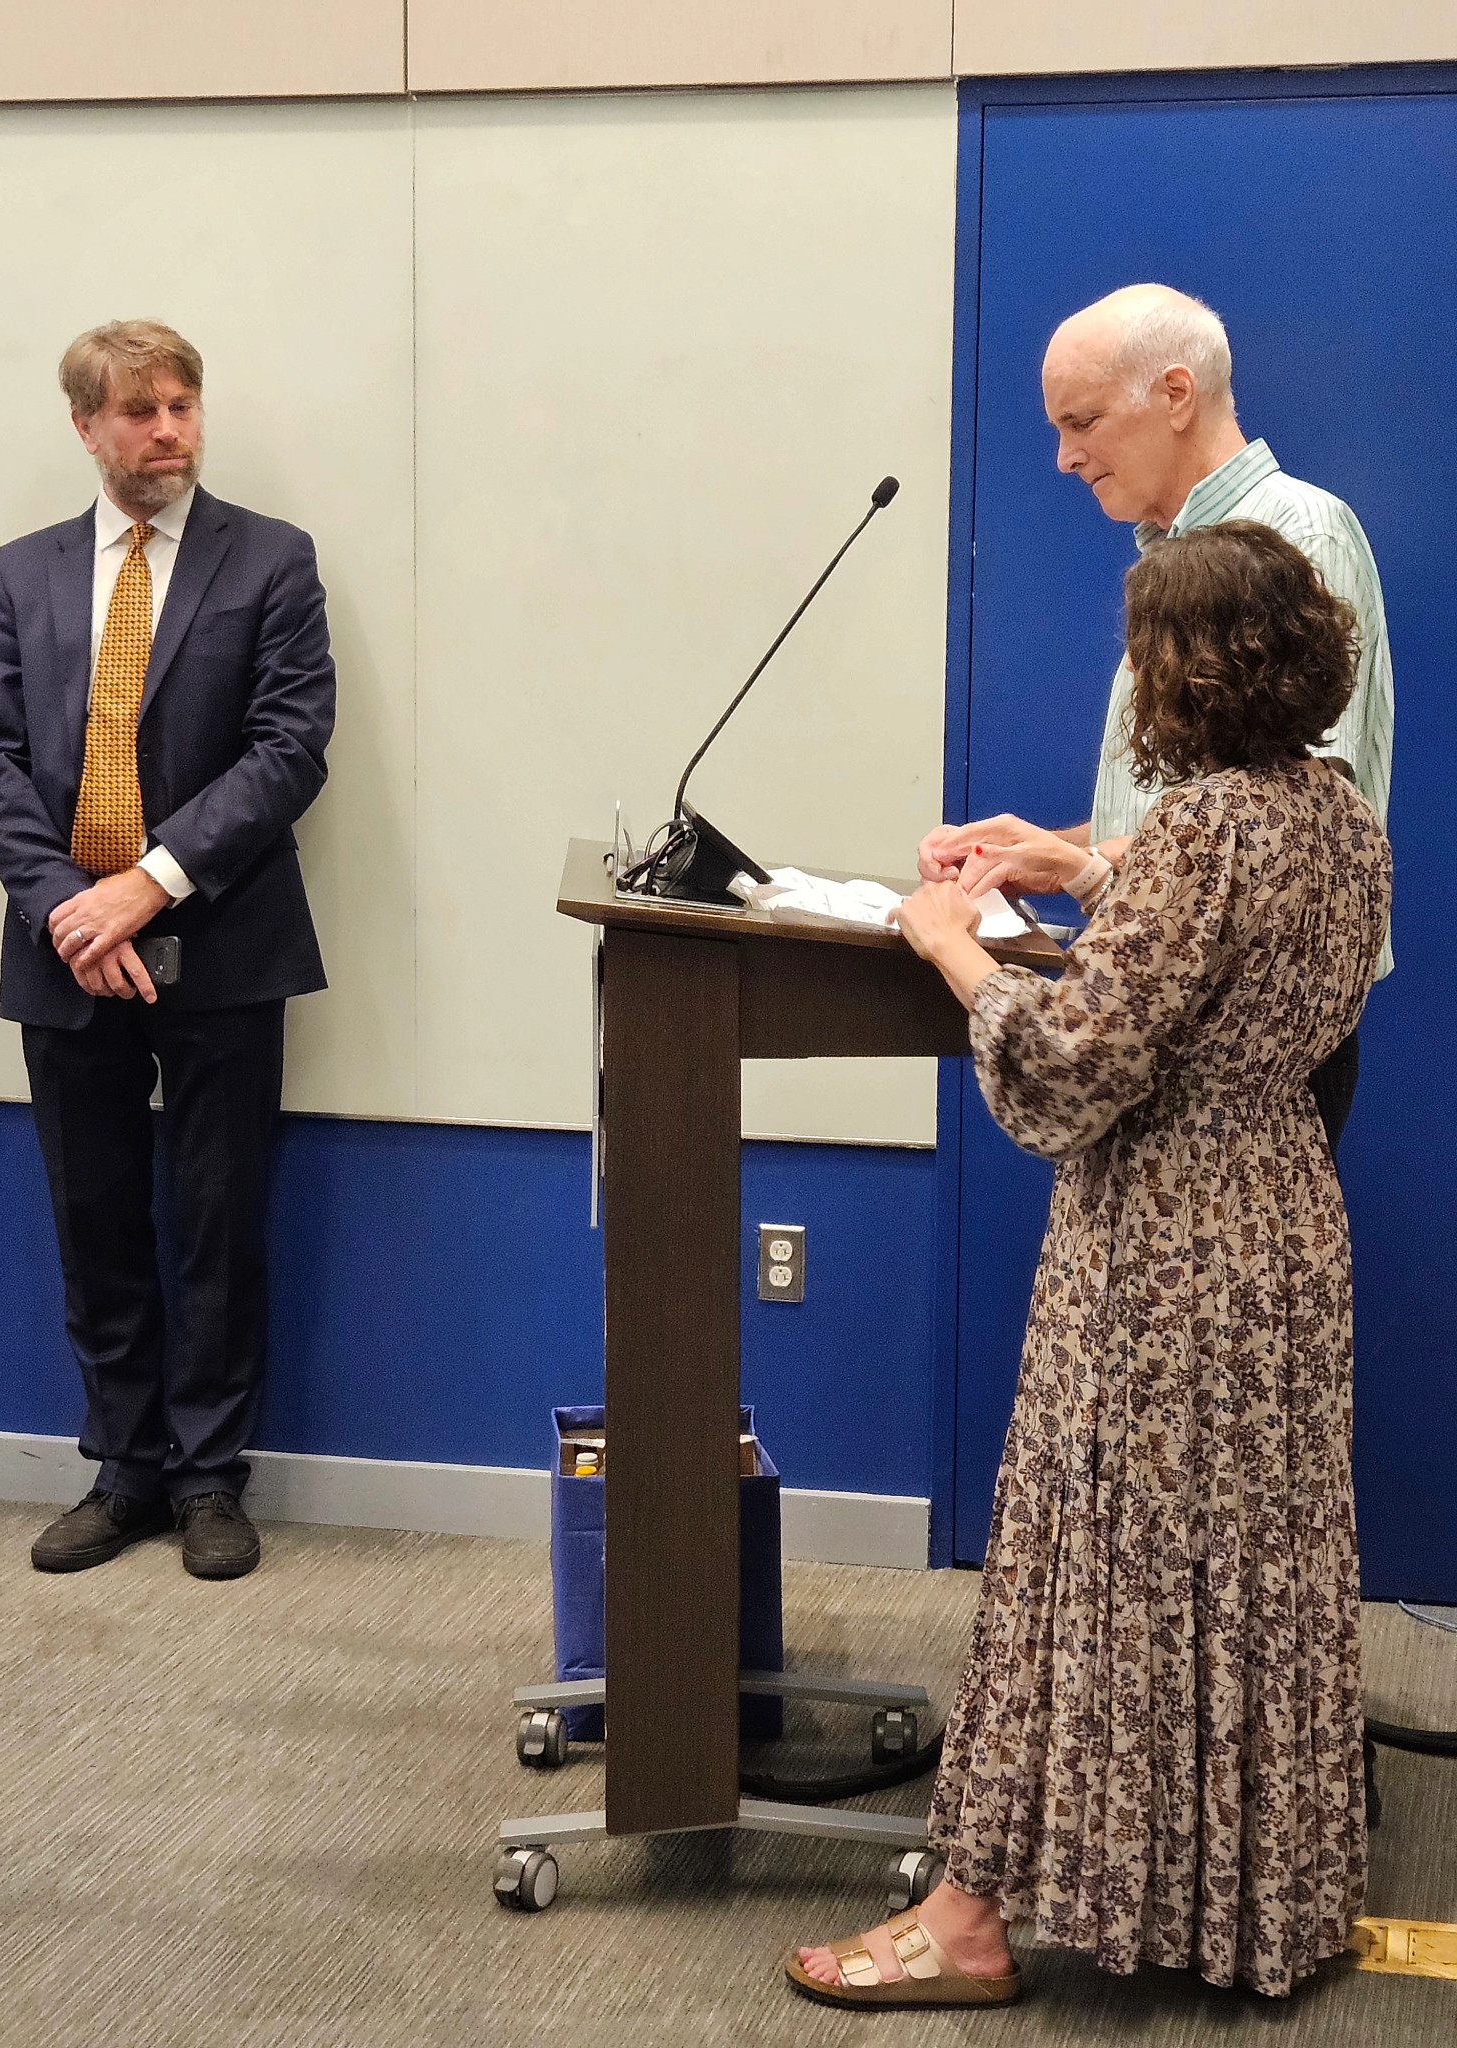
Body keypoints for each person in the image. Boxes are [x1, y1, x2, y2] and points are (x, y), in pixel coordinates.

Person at [786, 522, 1390, 2008]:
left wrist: (951, 944)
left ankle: (971, 1921)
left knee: (1095, 1561)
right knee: (1253, 1570)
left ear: (1177, 677)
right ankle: (1259, 1909)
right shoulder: (1342, 817)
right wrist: (1075, 874)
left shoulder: (1199, 832)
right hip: (1287, 1227)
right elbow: (1226, 966)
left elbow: (1064, 1074)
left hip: (1164, 1247)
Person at [0, 320, 336, 1581]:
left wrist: (148, 884)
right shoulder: (19, 573)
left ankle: (212, 1476)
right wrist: (73, 905)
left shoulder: (272, 560)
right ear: (86, 426)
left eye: (183, 406)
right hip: (64, 944)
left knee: (220, 1216)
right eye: (140, 412)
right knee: (97, 1212)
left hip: (221, 937)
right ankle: (123, 1470)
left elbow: (291, 747)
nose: (169, 430)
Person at [920, 284, 1393, 1158]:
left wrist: (1075, 872)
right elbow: (1196, 821)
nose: (1064, 457)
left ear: (1176, 395)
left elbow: (1284, 837)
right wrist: (1061, 856)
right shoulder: (1180, 562)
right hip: (1153, 1021)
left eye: (1083, 421)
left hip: (1233, 1056)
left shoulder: (1298, 539)